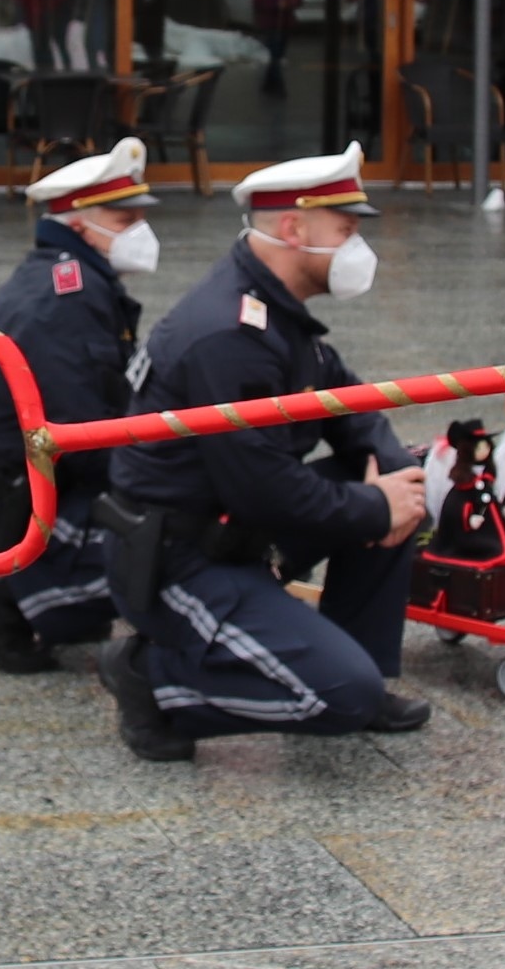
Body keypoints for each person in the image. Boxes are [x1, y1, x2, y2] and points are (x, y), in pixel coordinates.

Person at [94, 142, 431, 761]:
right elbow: (262, 488)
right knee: (341, 697)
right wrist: (375, 508)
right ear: (294, 229)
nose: (357, 247)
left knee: (391, 480)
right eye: (346, 231)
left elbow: (347, 400)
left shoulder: (271, 306)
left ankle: (361, 660)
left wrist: (399, 474)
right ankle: (151, 679)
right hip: (180, 557)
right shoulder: (230, 333)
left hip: (237, 527)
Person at [0, 136, 160, 673]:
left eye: (140, 216)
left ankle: (60, 601)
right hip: (1, 503)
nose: (140, 230)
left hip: (14, 480)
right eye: (125, 218)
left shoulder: (72, 277)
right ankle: (5, 600)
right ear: (79, 223)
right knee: (165, 528)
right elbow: (81, 433)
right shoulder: (68, 297)